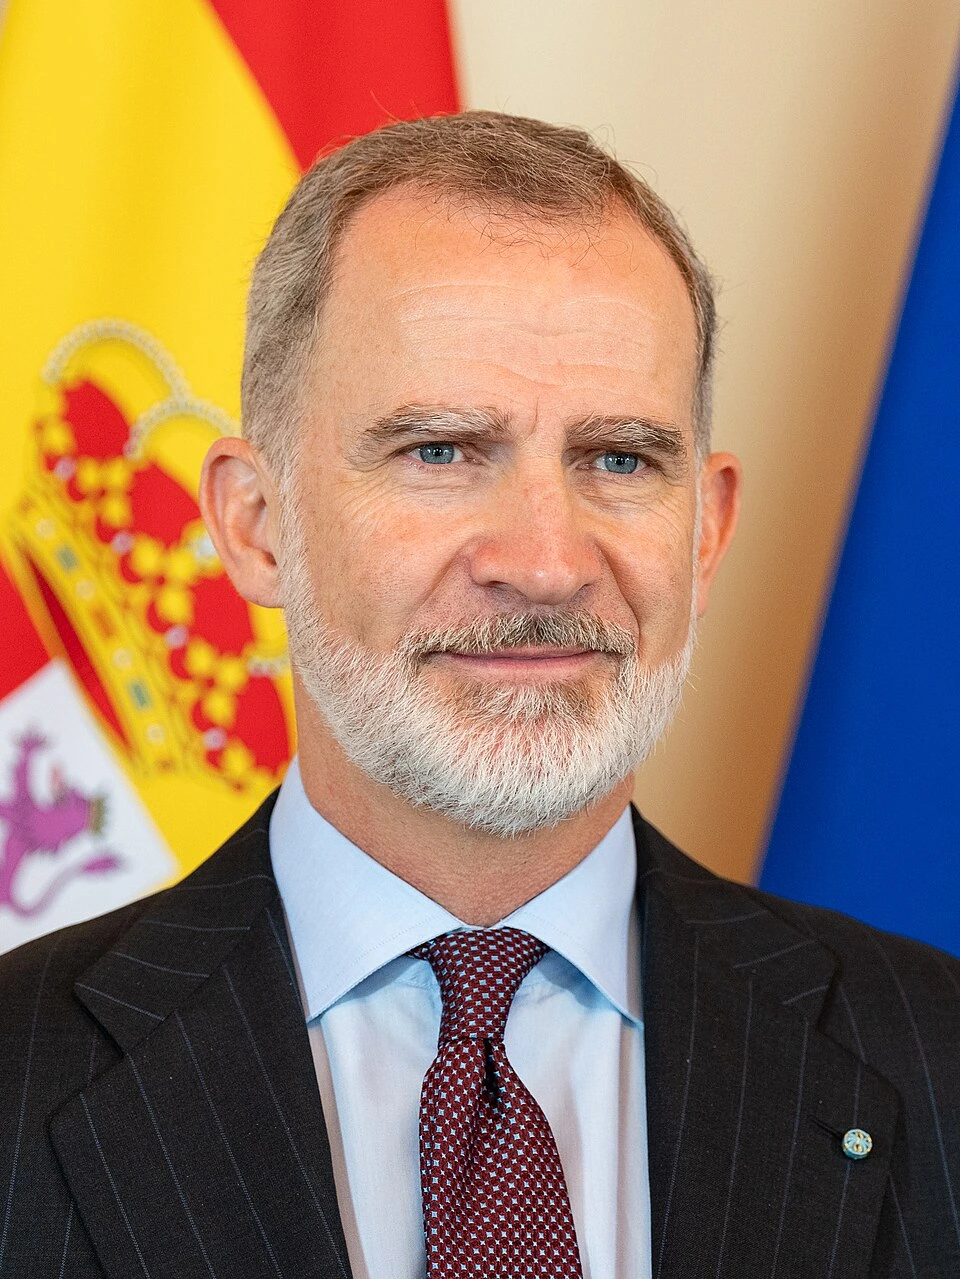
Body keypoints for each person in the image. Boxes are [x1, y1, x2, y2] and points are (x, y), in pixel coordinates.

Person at [1, 111, 958, 1279]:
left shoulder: (936, 1058)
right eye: (442, 451)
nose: (546, 559)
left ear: (705, 532)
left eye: (619, 459)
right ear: (255, 526)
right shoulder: (19, 1073)